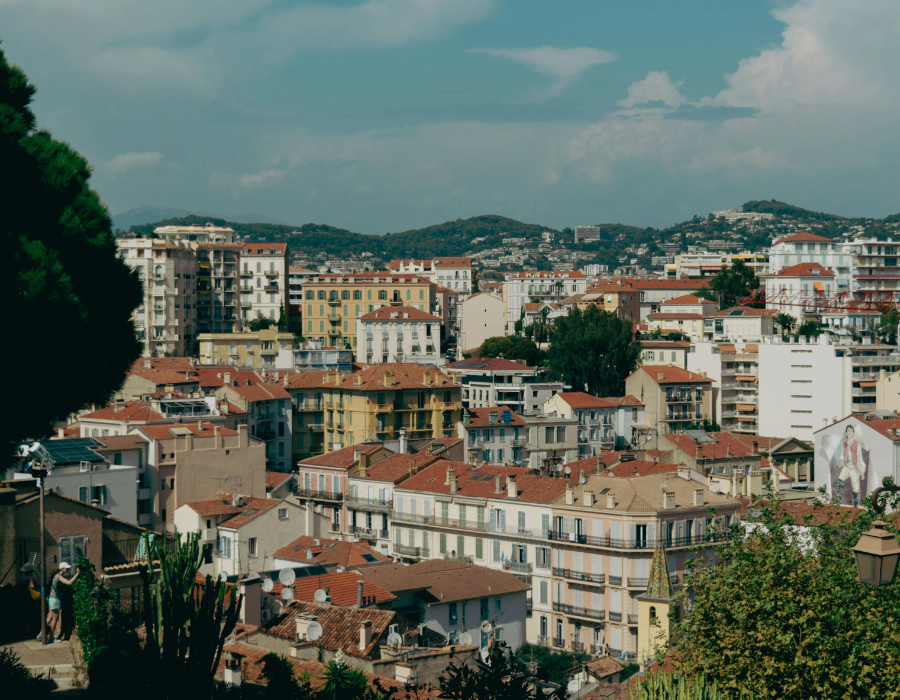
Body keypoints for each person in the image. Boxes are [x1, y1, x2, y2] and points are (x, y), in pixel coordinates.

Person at [41, 562, 79, 643]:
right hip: (54, 599)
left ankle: (41, 633)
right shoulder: (59, 576)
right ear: (61, 568)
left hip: (51, 598)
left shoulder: (56, 576)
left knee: (49, 617)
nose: (67, 569)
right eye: (66, 568)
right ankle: (51, 637)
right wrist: (77, 574)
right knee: (55, 618)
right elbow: (69, 583)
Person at [836, 424, 867, 507]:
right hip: (846, 466)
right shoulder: (844, 444)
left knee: (856, 487)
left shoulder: (857, 444)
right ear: (846, 433)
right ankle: (838, 501)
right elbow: (842, 455)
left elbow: (860, 458)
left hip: (854, 467)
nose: (849, 433)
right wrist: (841, 461)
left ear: (853, 433)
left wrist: (861, 471)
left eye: (851, 431)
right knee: (840, 481)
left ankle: (855, 505)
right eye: (848, 431)